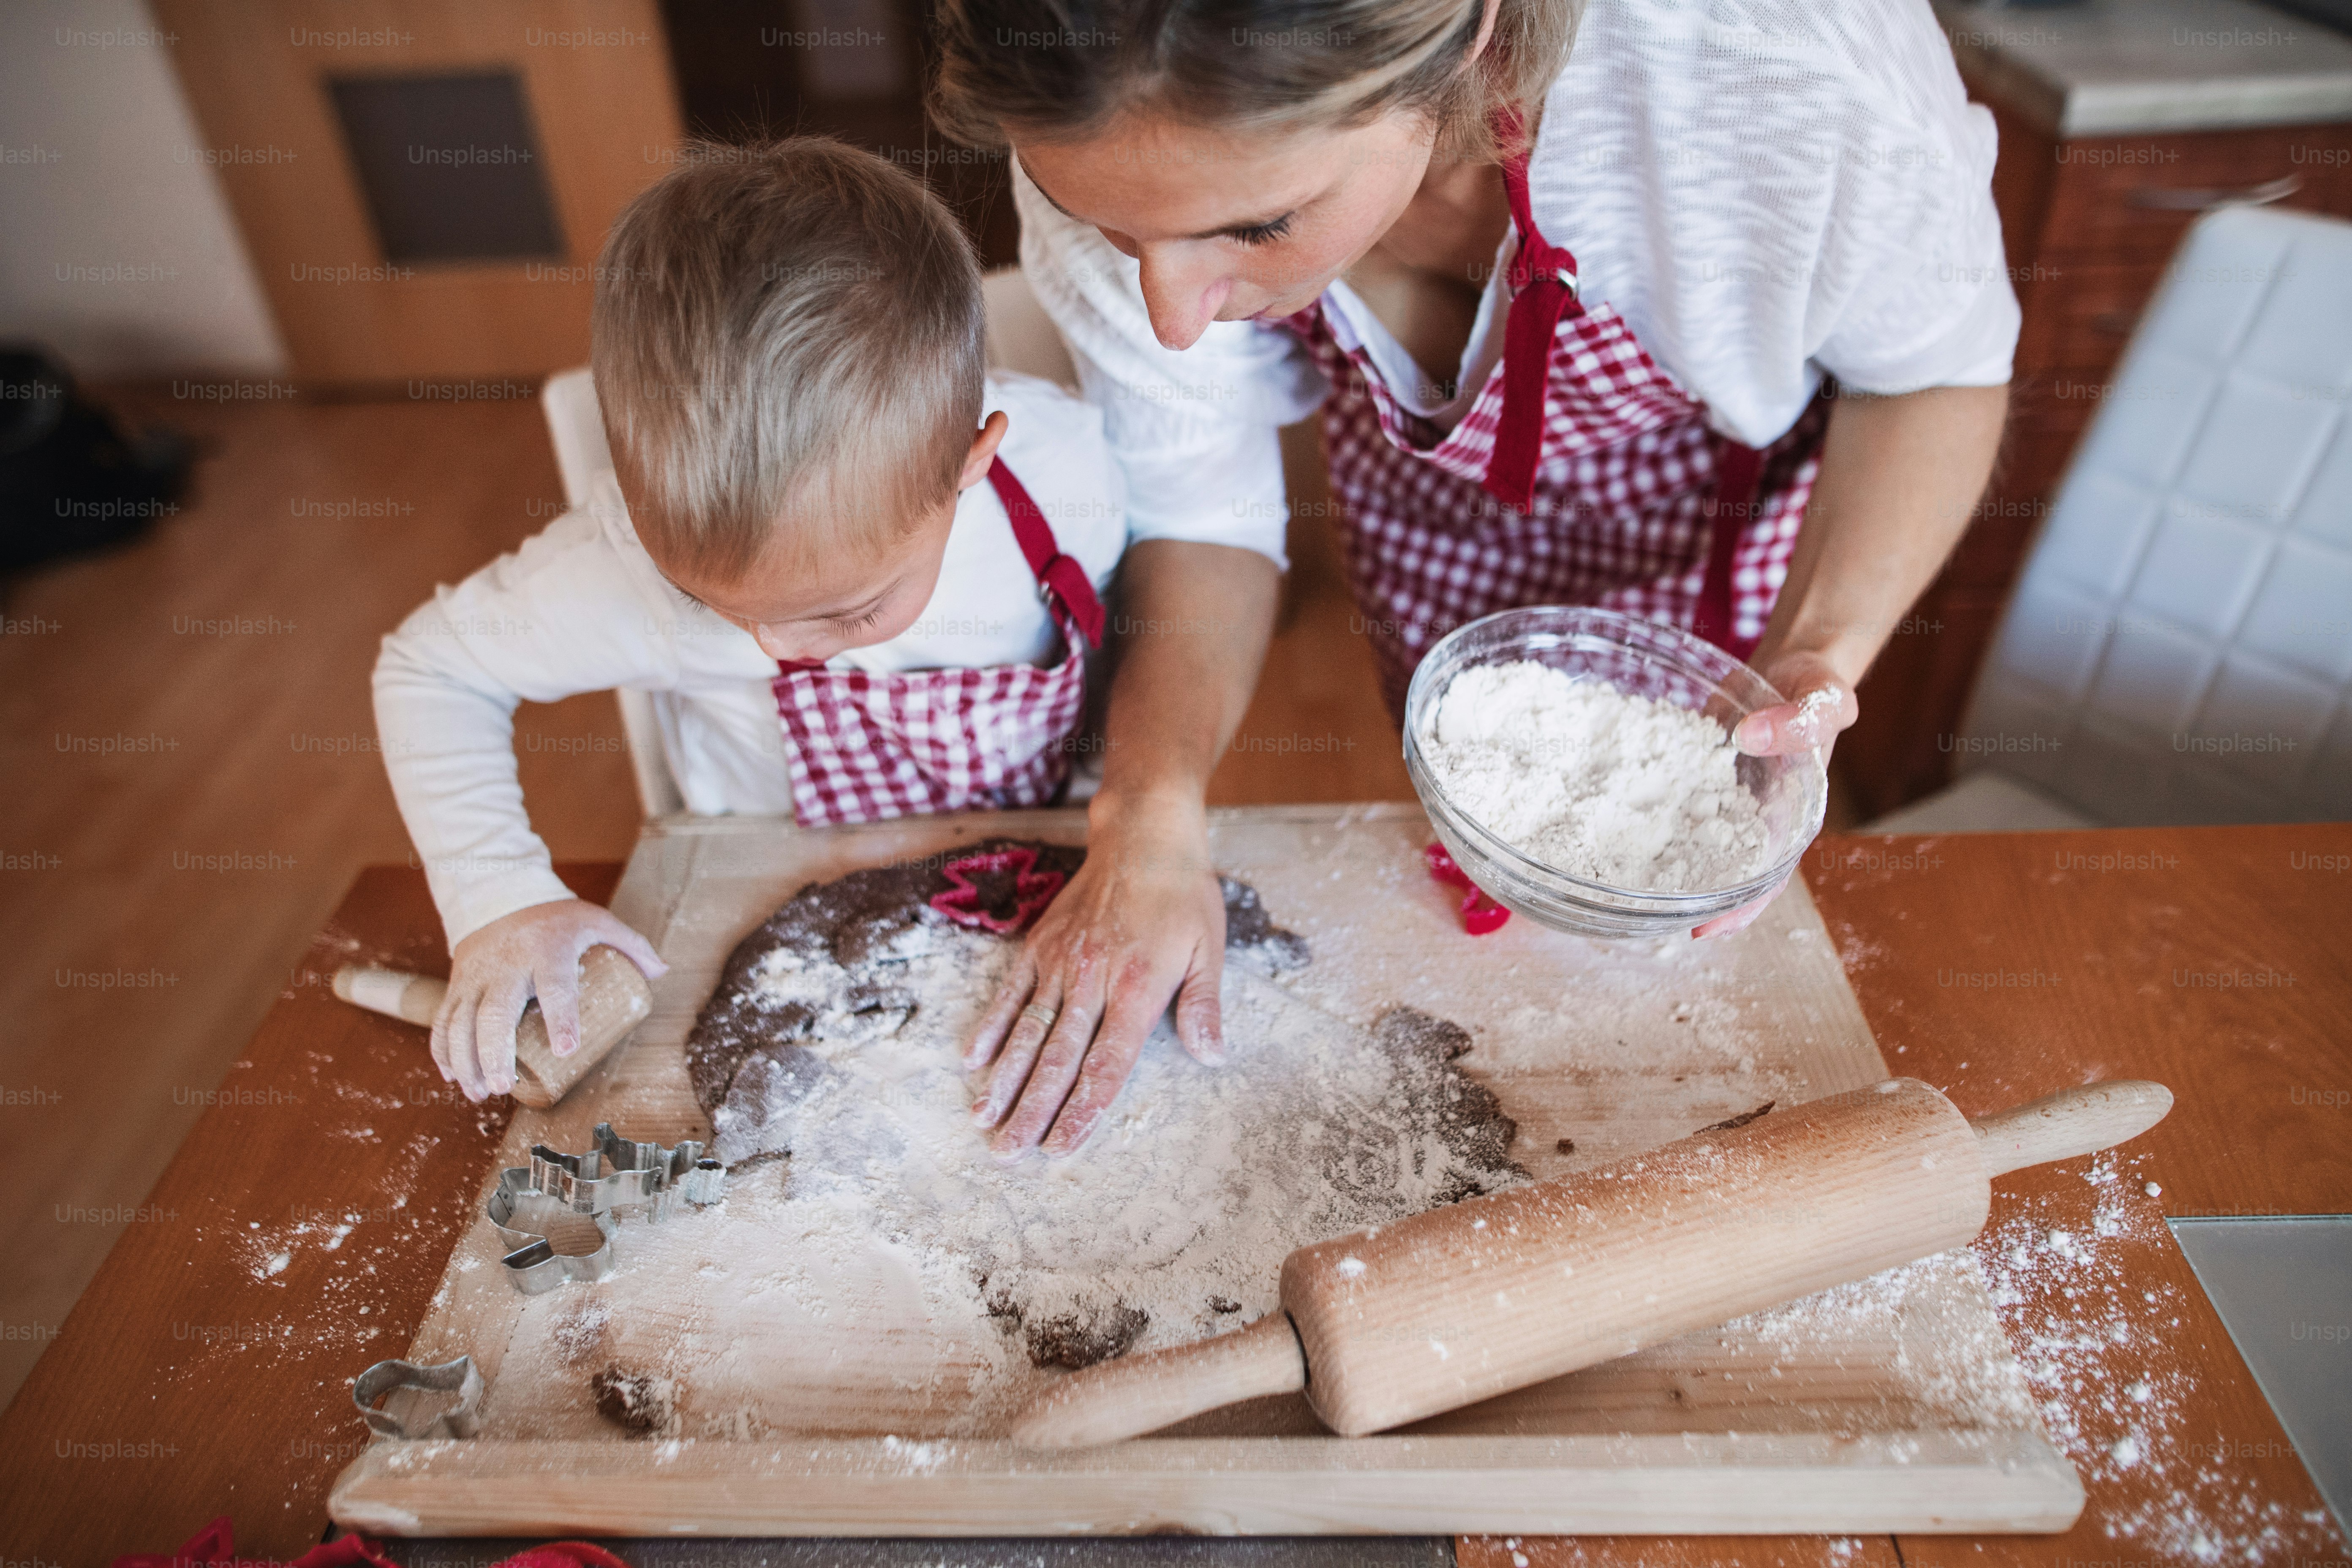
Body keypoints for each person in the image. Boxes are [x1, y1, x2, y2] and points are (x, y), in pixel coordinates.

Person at [932, 0, 2017, 1153]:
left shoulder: (1777, 78)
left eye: (1256, 227)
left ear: (1475, 40)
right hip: (1428, 528)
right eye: (1108, 230)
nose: (1172, 316)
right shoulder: (1096, 100)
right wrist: (1147, 811)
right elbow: (1207, 511)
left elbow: (1933, 375)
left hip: (1714, 525)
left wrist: (1820, 649)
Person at [373, 139, 1148, 1105]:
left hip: (1038, 882)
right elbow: (430, 671)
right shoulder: (620, 572)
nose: (777, 649)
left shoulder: (1065, 477)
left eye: (847, 609)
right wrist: (499, 898)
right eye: (714, 605)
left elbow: (1145, 637)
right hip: (762, 898)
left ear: (971, 465)